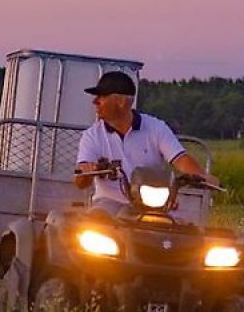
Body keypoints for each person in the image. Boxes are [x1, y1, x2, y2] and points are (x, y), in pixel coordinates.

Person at [74, 71, 217, 214]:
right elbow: (80, 181)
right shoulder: (92, 136)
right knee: (94, 222)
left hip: (151, 204)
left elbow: (180, 158)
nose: (95, 101)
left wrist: (202, 177)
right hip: (108, 203)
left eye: (102, 96)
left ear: (121, 101)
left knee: (173, 230)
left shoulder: (156, 128)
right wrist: (87, 172)